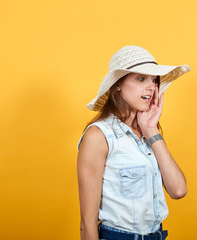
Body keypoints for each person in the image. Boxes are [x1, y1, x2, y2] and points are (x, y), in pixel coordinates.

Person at [77, 45, 191, 240]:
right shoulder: (99, 136)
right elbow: (87, 223)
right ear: (118, 84)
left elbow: (178, 190)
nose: (151, 87)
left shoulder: (148, 133)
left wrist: (151, 130)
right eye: (141, 78)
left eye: (154, 80)